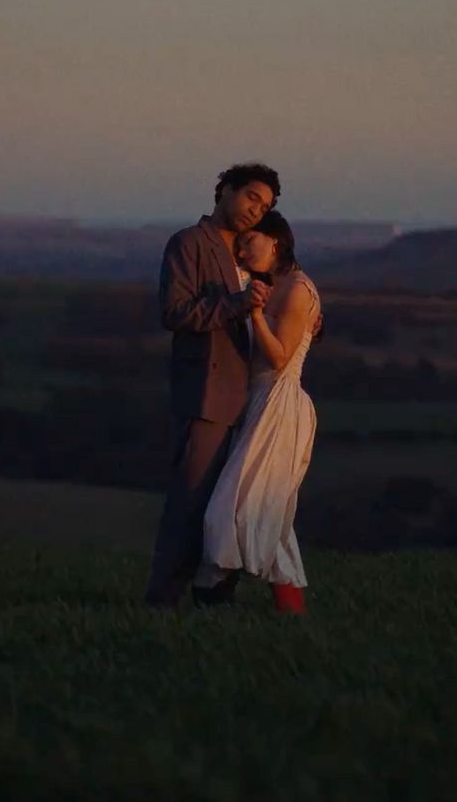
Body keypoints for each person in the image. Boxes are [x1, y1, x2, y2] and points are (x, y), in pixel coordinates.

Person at [142, 163, 280, 608]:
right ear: (223, 190)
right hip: (205, 392)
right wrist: (237, 303)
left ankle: (212, 599)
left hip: (243, 398)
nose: (254, 211)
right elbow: (175, 312)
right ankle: (160, 602)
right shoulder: (189, 243)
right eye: (251, 198)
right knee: (189, 502)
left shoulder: (245, 252)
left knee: (226, 509)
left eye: (264, 207)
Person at [198, 210, 321, 615]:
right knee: (263, 511)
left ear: (275, 242)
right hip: (258, 402)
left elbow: (281, 357)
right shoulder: (271, 285)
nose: (243, 250)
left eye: (249, 241)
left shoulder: (298, 289)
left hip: (279, 405)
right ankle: (283, 610)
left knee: (236, 506)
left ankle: (212, 590)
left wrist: (253, 315)